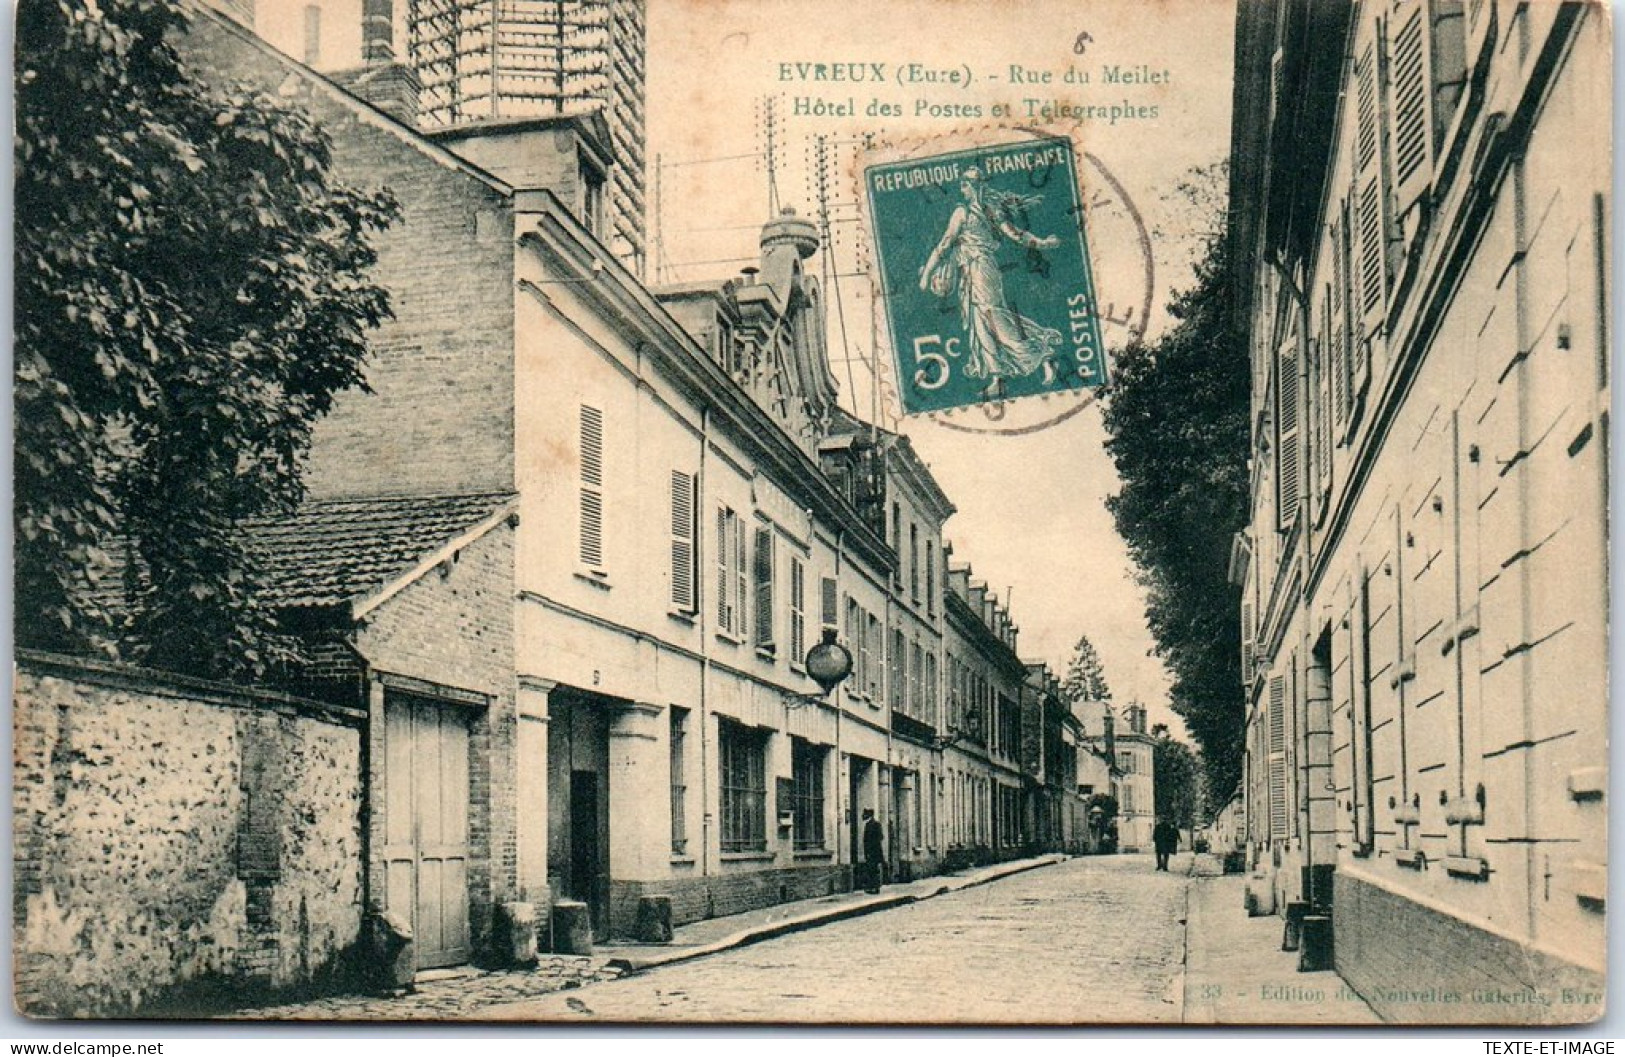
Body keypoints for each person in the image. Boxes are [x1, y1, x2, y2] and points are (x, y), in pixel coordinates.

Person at [917, 166, 1065, 396]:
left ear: (972, 186)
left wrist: (927, 275)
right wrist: (1042, 242)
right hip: (975, 273)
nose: (962, 189)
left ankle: (1042, 354)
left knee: (995, 320)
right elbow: (1016, 235)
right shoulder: (988, 211)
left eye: (965, 185)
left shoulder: (966, 213)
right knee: (980, 324)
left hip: (981, 271)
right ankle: (997, 377)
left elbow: (945, 244)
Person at [861, 809, 886, 894]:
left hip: (874, 851)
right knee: (871, 870)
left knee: (873, 870)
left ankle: (875, 888)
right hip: (871, 852)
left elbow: (880, 837)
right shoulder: (869, 824)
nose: (863, 816)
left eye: (864, 814)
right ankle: (872, 887)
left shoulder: (875, 824)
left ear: (869, 815)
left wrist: (872, 847)